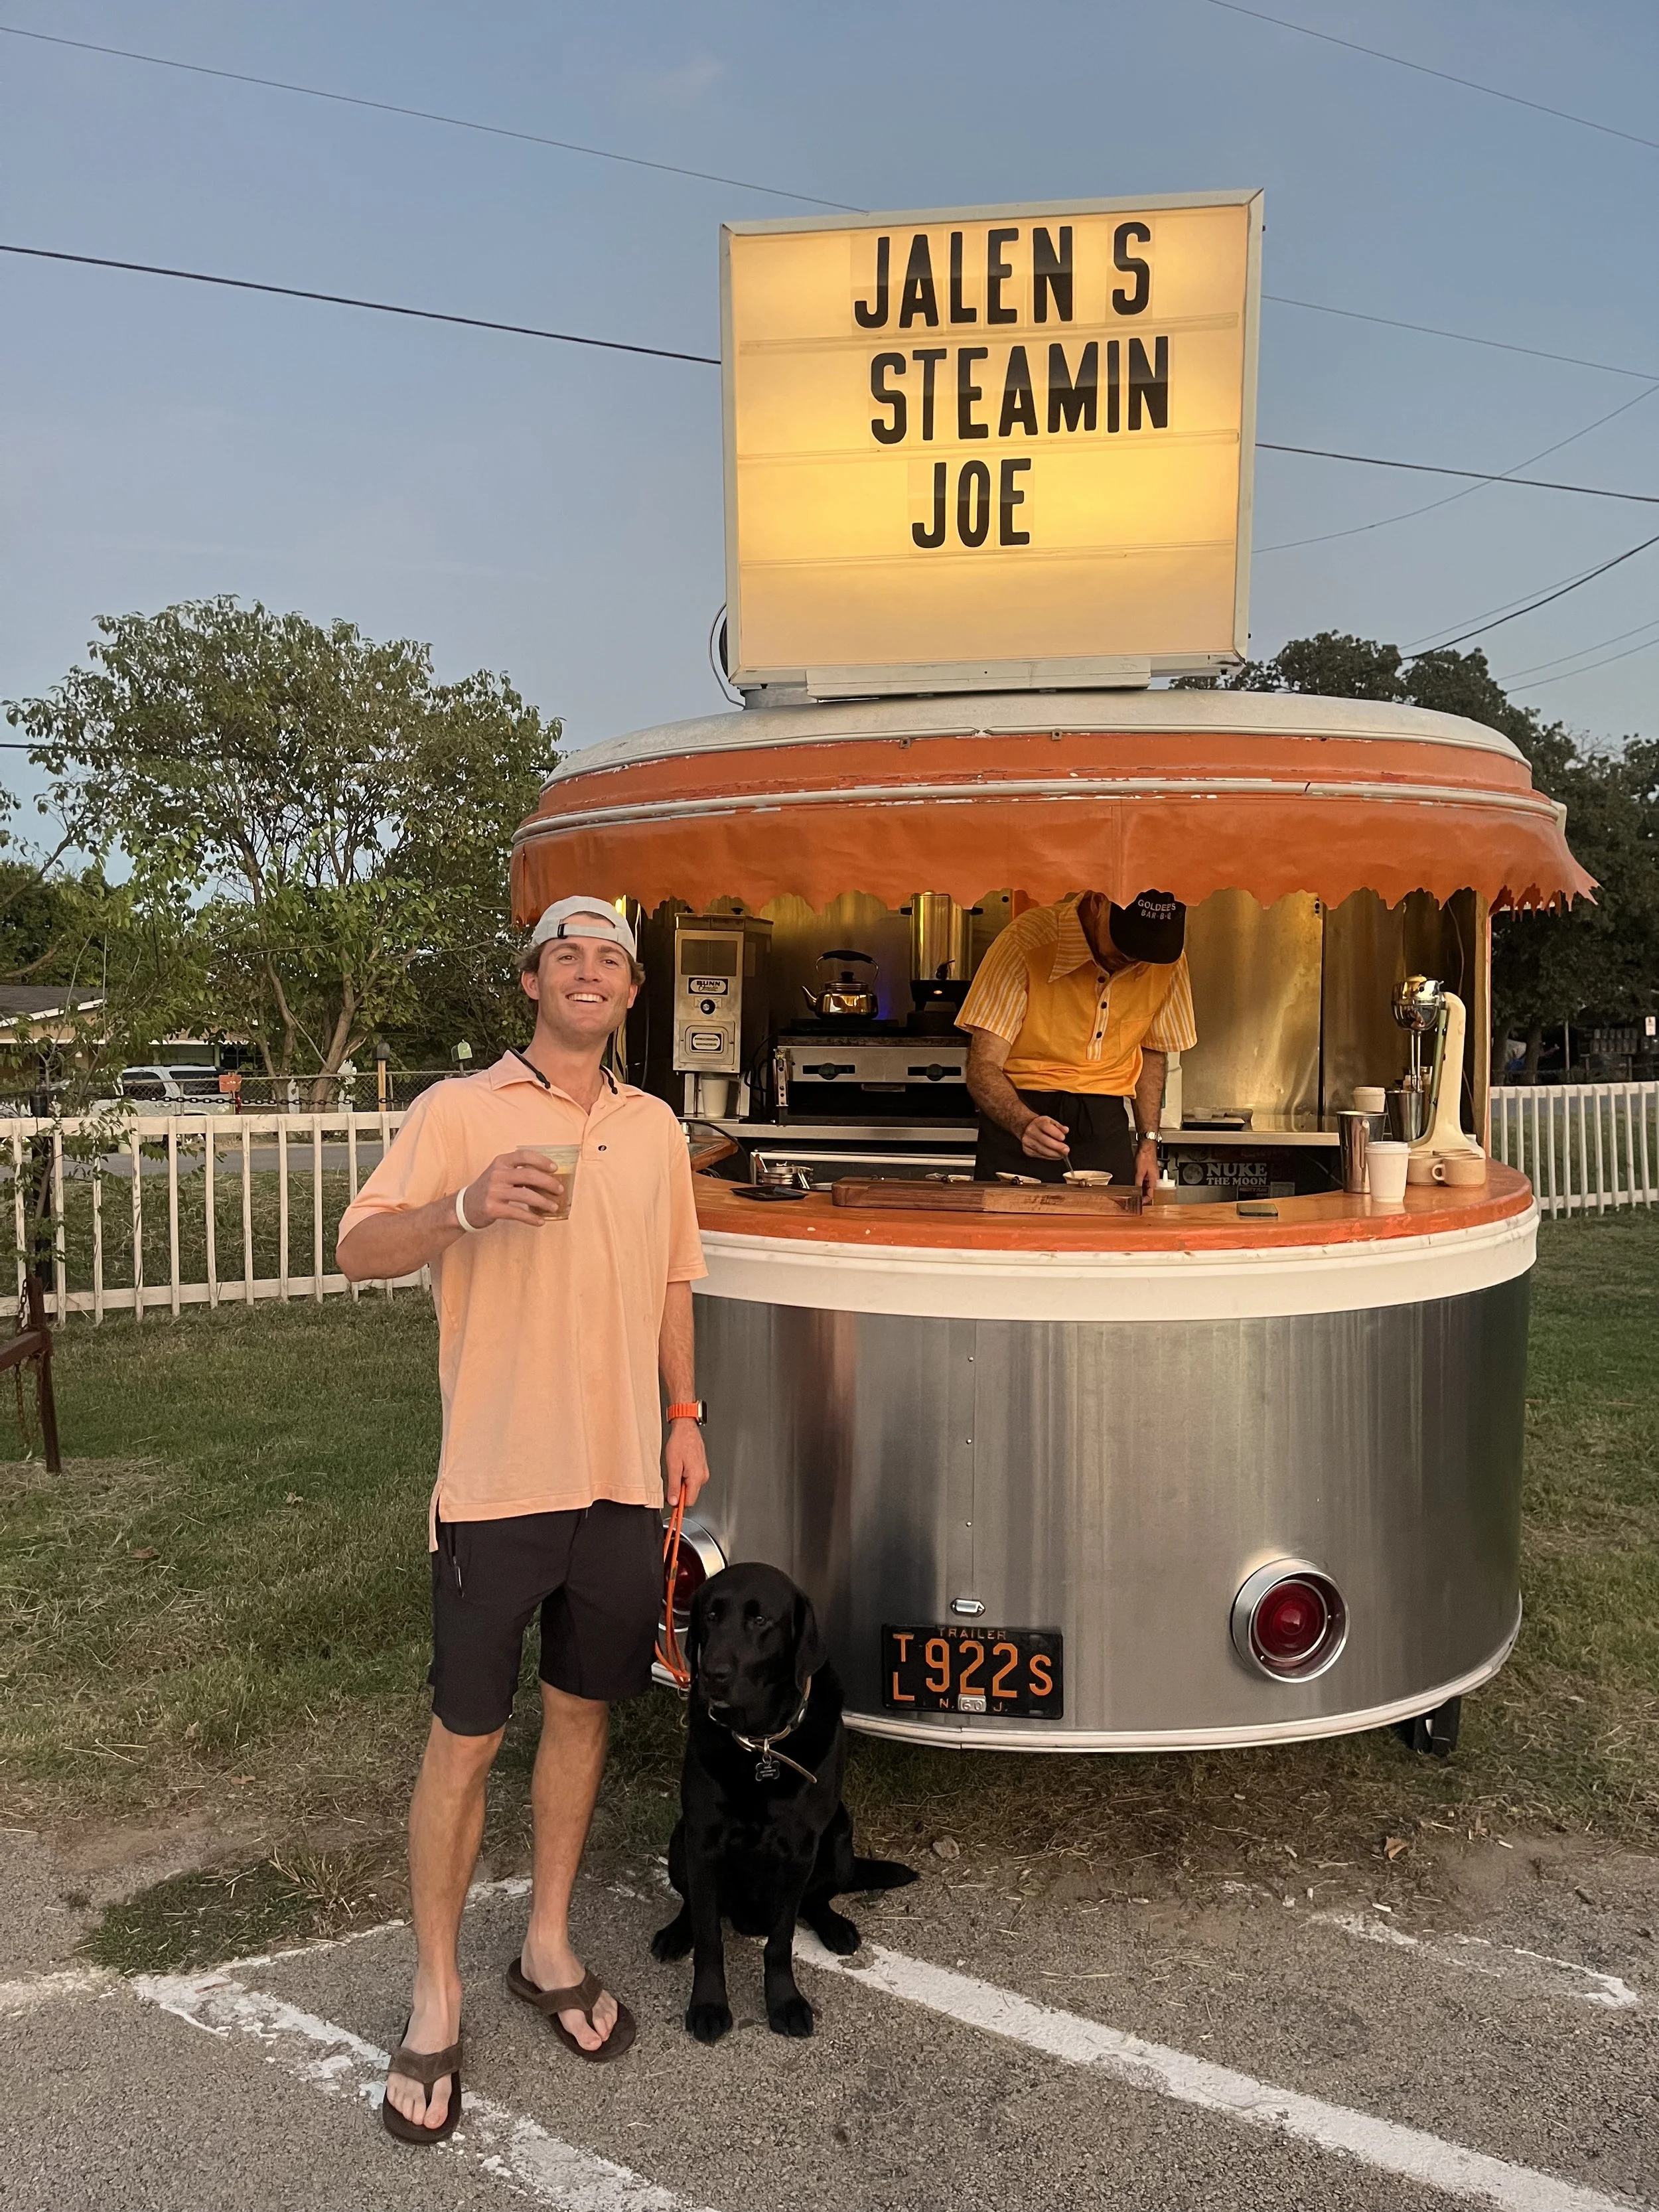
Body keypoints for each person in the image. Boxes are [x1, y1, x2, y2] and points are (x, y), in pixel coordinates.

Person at [336, 895, 711, 2144]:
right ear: (532, 981)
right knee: (464, 1739)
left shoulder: (654, 1127)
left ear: (634, 988)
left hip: (617, 1477)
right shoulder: (459, 1111)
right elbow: (357, 1247)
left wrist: (685, 1410)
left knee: (585, 1709)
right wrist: (461, 1208)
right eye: (568, 955)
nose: (589, 972)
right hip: (495, 1483)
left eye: (611, 958)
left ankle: (545, 1943)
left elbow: (671, 1275)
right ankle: (435, 1989)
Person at [957, 889, 1196, 1198]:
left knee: (1108, 1241)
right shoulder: (1026, 940)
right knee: (1009, 1240)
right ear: (1099, 904)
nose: (1133, 962)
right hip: (1022, 1119)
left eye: (1144, 956)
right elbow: (983, 1066)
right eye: (1124, 949)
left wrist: (1148, 1143)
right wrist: (1022, 1123)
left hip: (1106, 1124)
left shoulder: (1163, 960)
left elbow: (1152, 1051)